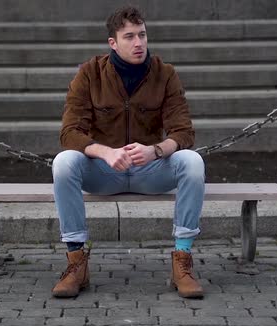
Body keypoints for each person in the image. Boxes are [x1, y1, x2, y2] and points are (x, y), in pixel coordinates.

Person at [51, 5, 205, 299]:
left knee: (192, 162)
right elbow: (69, 132)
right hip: (105, 171)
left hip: (150, 170)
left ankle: (182, 262)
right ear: (113, 42)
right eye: (130, 36)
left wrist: (156, 151)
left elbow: (184, 132)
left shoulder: (165, 74)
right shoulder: (89, 74)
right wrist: (104, 152)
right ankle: (76, 263)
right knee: (64, 162)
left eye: (143, 35)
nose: (139, 43)